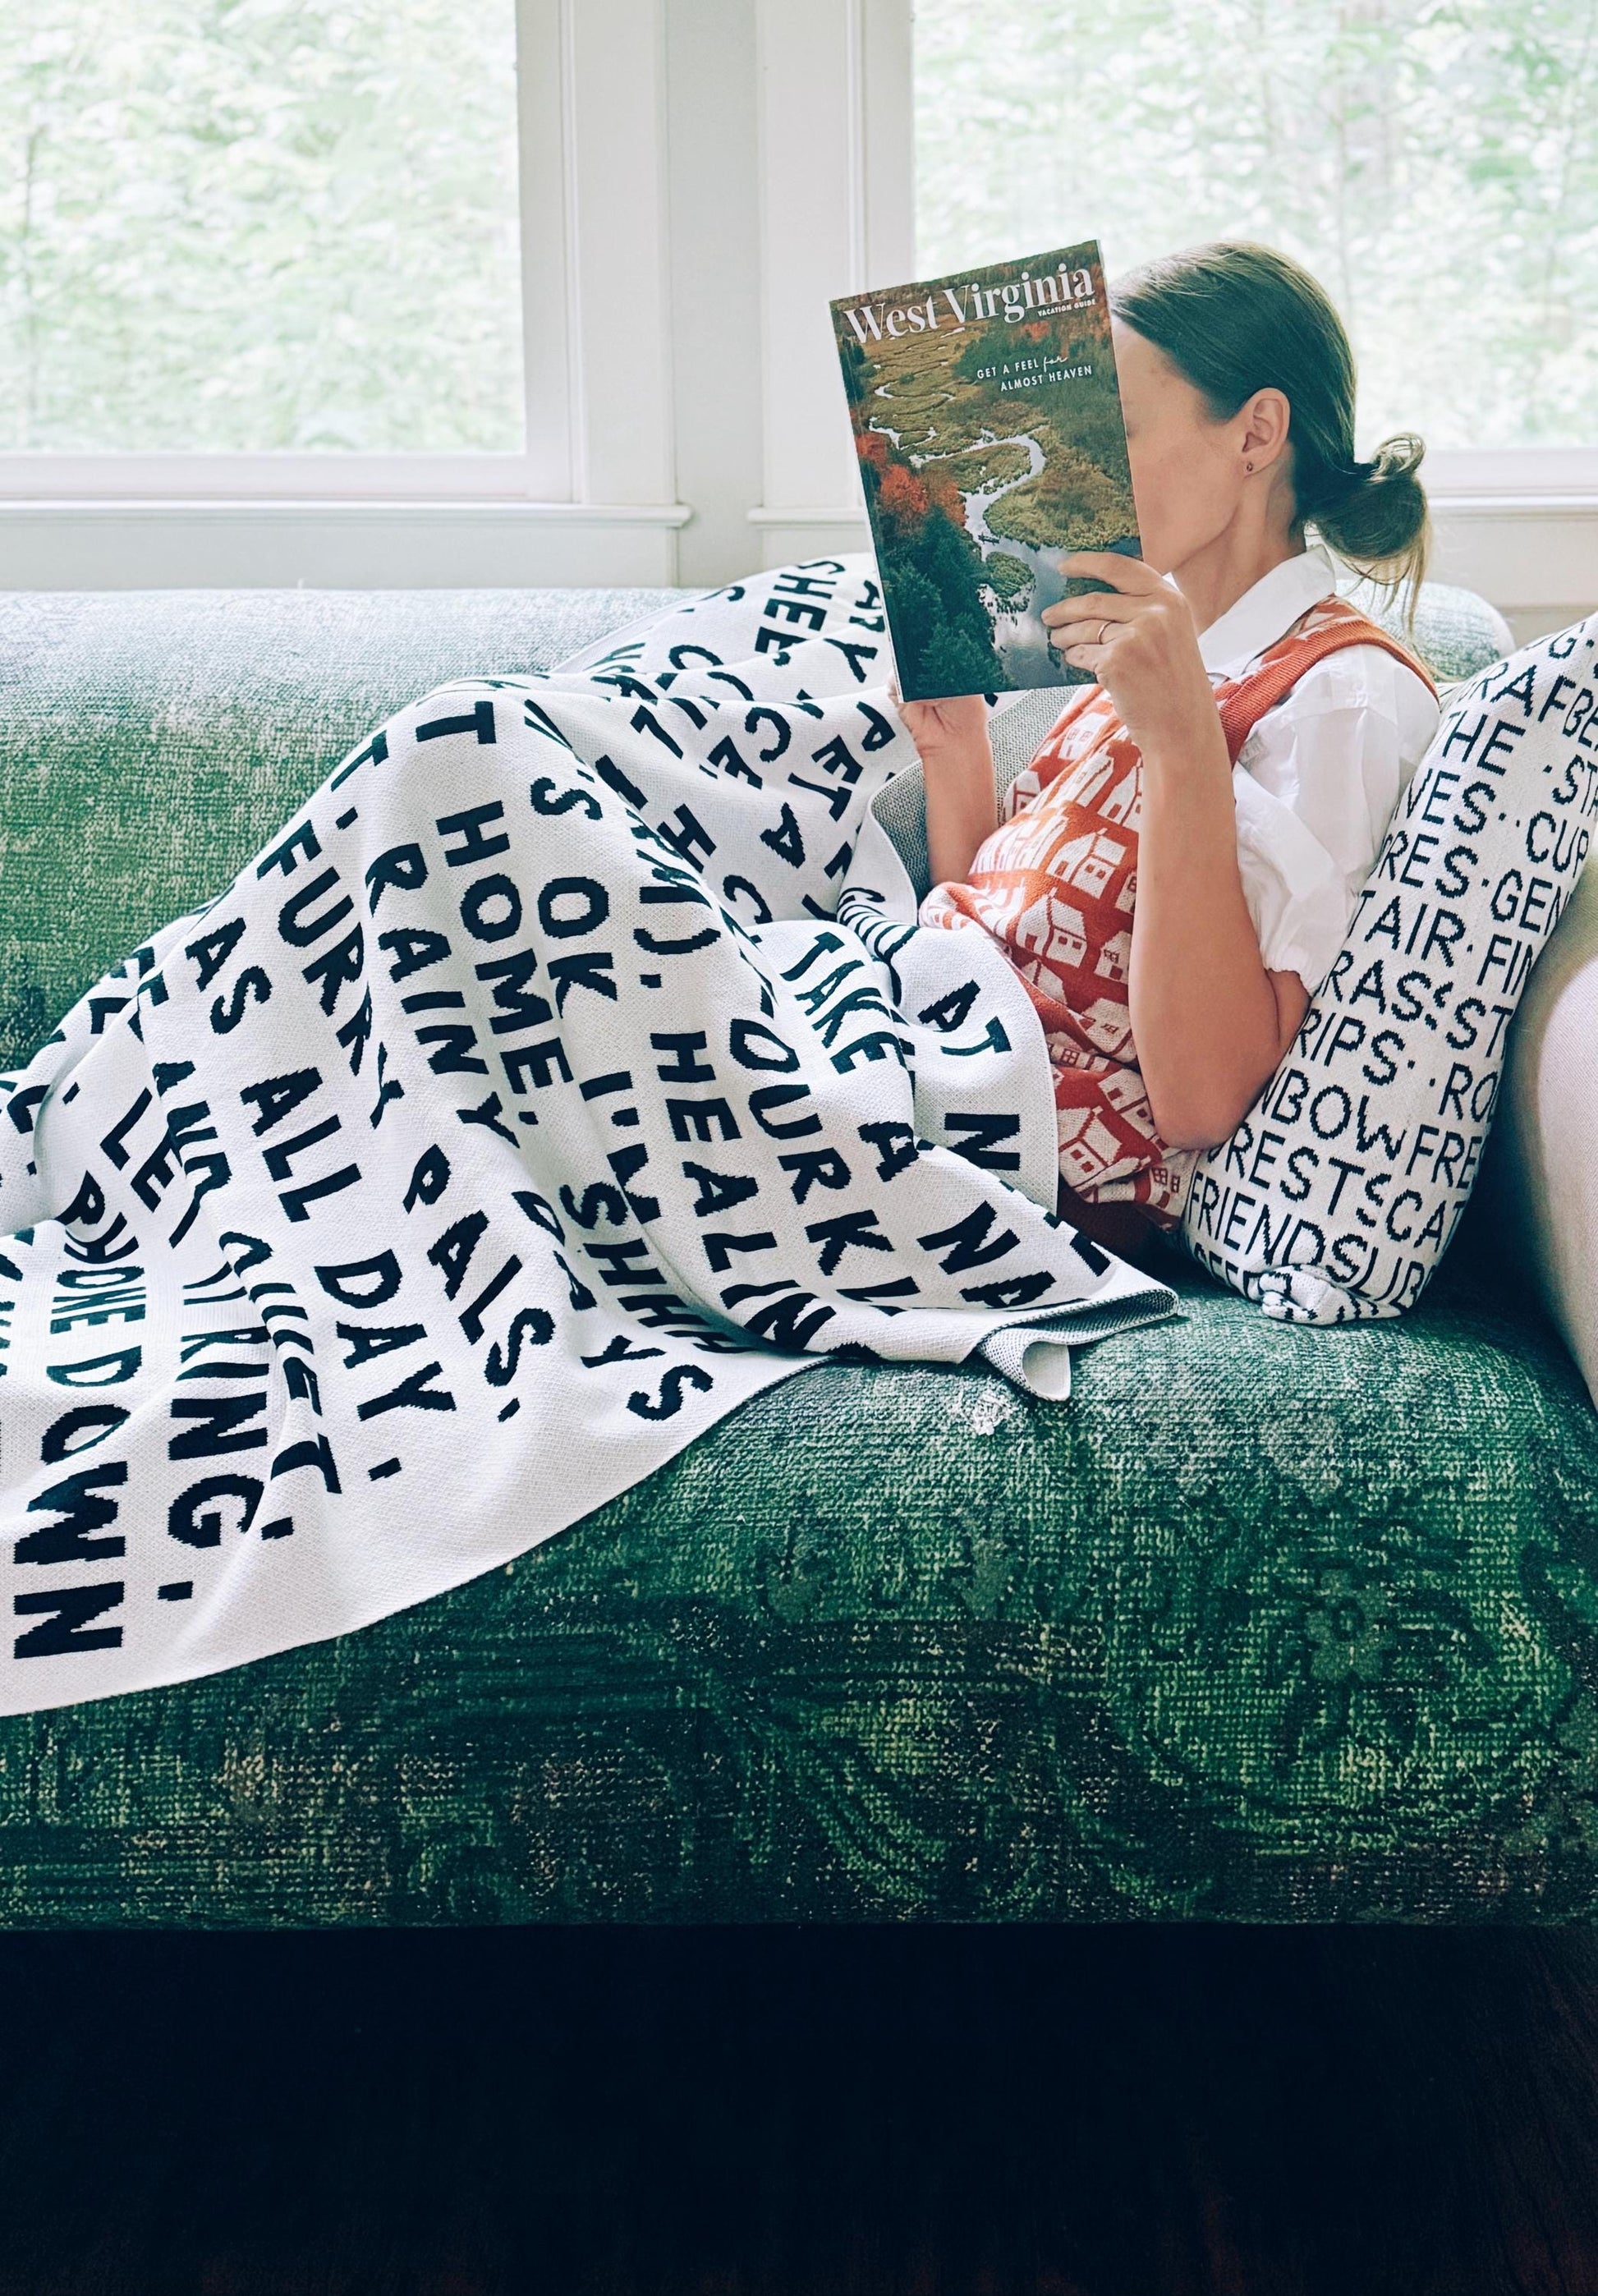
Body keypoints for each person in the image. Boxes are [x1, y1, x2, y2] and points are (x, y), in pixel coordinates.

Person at [896, 240, 1441, 1257]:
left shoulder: (1339, 701)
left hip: (999, 1163)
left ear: (1255, 433)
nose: (1066, 476)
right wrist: (955, 755)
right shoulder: (1143, 651)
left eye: (1111, 430)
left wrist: (1186, 745)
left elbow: (1198, 1099)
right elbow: (1014, 955)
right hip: (918, 1053)